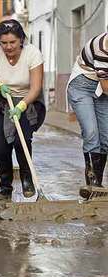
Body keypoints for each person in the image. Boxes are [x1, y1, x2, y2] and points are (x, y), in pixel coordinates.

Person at [0, 19, 45, 200]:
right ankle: (5, 187)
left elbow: (35, 88)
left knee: (21, 140)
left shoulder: (32, 54)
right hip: (3, 102)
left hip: (28, 101)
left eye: (12, 42)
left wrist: (21, 106)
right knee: (1, 148)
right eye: (4, 43)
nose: (8, 47)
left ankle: (27, 179)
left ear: (21, 40)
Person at [67, 32, 108, 197]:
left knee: (106, 137)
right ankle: (93, 184)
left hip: (102, 85)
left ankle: (97, 182)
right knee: (92, 132)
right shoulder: (102, 49)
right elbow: (106, 88)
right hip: (82, 86)